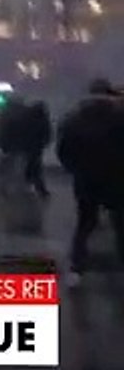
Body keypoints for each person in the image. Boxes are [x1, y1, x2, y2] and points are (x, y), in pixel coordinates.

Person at [57, 79, 124, 286]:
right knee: (120, 225)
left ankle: (76, 268)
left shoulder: (74, 117)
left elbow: (63, 150)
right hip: (116, 179)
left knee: (85, 224)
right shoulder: (120, 115)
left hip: (86, 180)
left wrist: (77, 170)